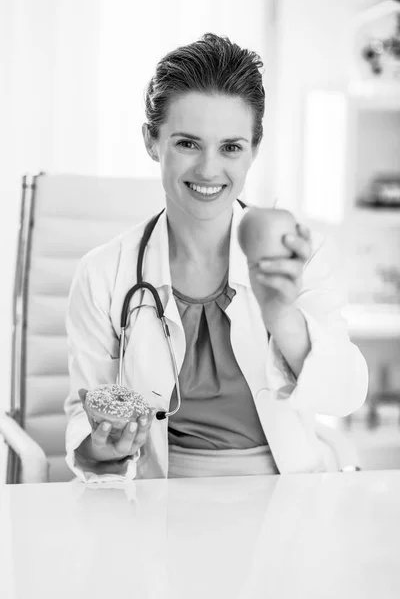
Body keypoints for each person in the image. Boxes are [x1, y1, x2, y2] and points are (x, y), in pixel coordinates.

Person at [64, 33, 368, 482]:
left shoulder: (298, 255)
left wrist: (281, 314)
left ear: (254, 150)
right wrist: (100, 448)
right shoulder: (103, 274)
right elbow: (83, 420)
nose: (209, 169)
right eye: (188, 143)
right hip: (160, 494)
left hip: (283, 491)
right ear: (152, 140)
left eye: (231, 147)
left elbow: (345, 394)